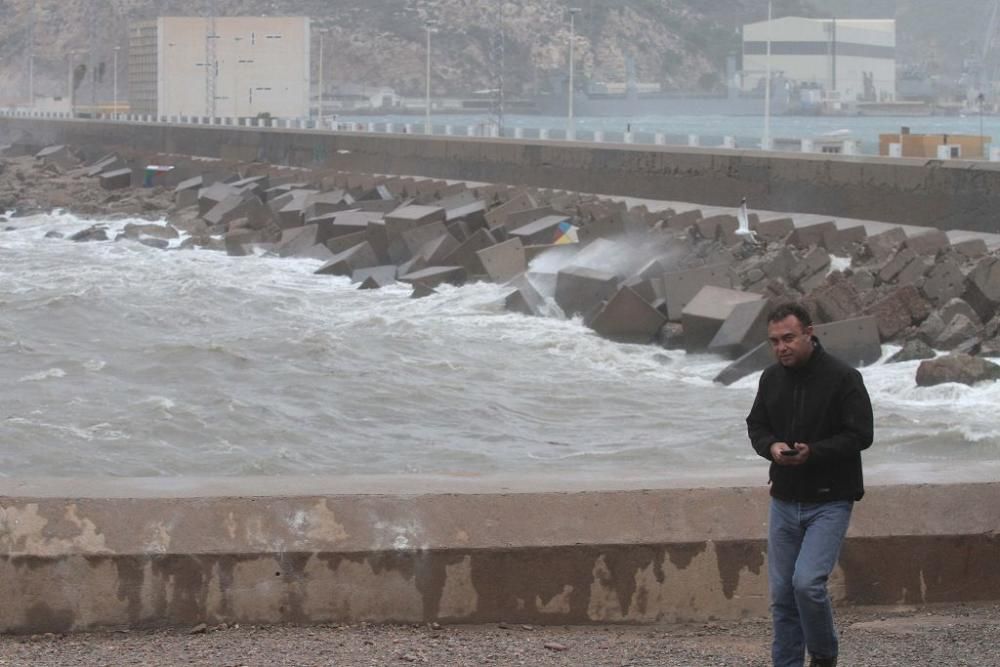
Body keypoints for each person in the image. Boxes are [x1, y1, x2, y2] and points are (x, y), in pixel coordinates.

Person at [746, 303, 874, 667]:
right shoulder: (770, 378)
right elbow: (756, 426)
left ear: (809, 333)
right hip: (784, 500)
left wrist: (813, 452)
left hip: (831, 500)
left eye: (788, 338)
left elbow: (861, 434)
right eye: (774, 341)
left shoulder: (843, 377)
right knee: (783, 596)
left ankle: (823, 655)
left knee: (807, 585)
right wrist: (770, 447)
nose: (781, 347)